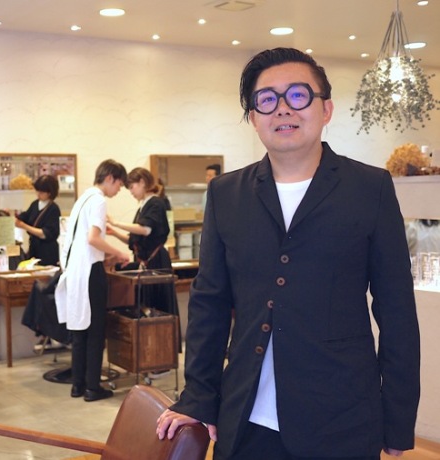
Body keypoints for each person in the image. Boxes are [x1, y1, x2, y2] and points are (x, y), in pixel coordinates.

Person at [157, 48, 420, 460]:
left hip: (342, 419)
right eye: (266, 99)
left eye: (298, 95)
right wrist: (198, 396)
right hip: (244, 419)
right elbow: (209, 303)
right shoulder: (227, 194)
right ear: (253, 117)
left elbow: (397, 310)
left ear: (326, 108)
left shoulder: (370, 189)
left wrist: (399, 418)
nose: (283, 109)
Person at [55, 159, 130, 402]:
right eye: (119, 184)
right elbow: (93, 238)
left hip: (75, 272)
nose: (118, 190)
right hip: (90, 272)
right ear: (109, 178)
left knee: (80, 330)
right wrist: (120, 253)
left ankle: (78, 385)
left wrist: (106, 254)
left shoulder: (82, 199)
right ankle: (92, 388)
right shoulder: (98, 200)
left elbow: (78, 241)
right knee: (96, 331)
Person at [107, 167, 180, 378]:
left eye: (132, 186)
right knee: (147, 310)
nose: (130, 191)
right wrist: (114, 232)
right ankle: (150, 358)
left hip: (157, 262)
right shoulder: (144, 206)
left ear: (142, 182)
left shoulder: (155, 203)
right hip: (147, 263)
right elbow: (135, 239)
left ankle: (162, 362)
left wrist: (115, 222)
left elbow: (146, 230)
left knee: (159, 310)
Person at [15, 174, 61, 266]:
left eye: (41, 192)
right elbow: (25, 217)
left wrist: (24, 226)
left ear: (50, 193)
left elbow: (45, 234)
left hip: (47, 252)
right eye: (37, 191)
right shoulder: (35, 204)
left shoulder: (53, 209)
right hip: (34, 249)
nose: (38, 194)